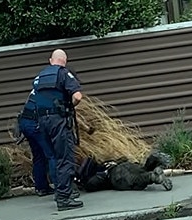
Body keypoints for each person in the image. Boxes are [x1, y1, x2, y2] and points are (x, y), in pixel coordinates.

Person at [19, 49, 84, 211]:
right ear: (65, 61)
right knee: (63, 157)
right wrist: (69, 107)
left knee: (47, 157)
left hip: (40, 123)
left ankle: (50, 189)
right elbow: (77, 97)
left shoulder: (39, 76)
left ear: (50, 60)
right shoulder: (64, 74)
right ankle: (64, 197)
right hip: (58, 122)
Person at [75, 150, 174, 192]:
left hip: (115, 175)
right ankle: (153, 160)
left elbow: (93, 183)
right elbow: (124, 158)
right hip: (126, 165)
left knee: (136, 180)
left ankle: (152, 177)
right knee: (142, 170)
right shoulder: (105, 162)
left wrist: (85, 186)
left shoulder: (95, 174)